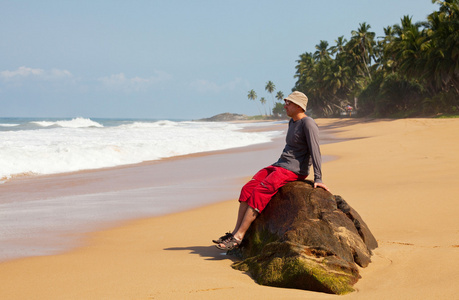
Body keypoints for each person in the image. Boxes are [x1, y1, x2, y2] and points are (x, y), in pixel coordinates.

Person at [213, 91, 329, 250]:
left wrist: (318, 179)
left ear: (298, 106)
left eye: (288, 103)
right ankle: (234, 233)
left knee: (261, 191)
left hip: (295, 169)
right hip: (281, 165)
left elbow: (315, 151)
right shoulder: (292, 122)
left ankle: (239, 237)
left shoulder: (308, 123)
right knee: (248, 189)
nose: (285, 105)